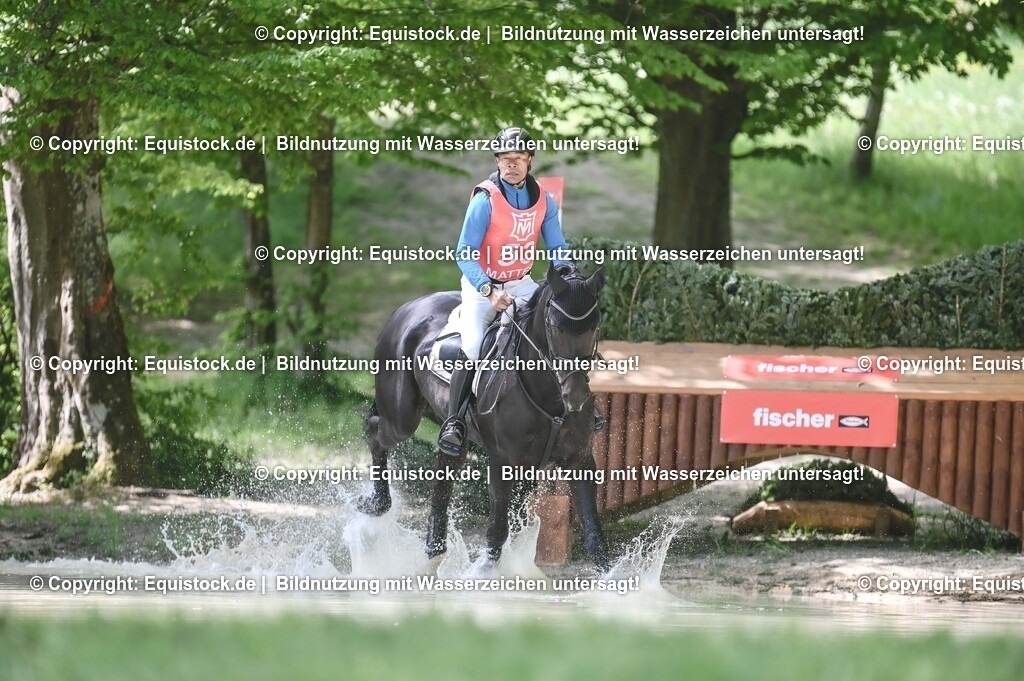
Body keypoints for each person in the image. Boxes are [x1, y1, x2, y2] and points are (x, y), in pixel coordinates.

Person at [437, 126, 573, 456]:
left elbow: (557, 247)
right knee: (471, 345)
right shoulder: (485, 199)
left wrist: (568, 279)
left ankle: (577, 409)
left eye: (518, 159)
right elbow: (464, 252)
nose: (511, 165)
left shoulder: (544, 200)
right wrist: (488, 289)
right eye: (504, 159)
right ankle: (454, 423)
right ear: (497, 161)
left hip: (522, 283)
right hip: (481, 286)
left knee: (558, 331)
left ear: (530, 161)